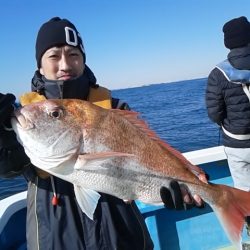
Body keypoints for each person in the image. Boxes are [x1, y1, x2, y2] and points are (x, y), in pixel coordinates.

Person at [0, 17, 204, 250]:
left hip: (123, 236)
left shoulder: (115, 109)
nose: (65, 64)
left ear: (83, 60)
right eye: (54, 56)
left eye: (74, 54)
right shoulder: (28, 118)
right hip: (55, 238)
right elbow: (7, 168)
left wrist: (182, 186)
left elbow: (153, 154)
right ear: (40, 65)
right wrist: (2, 135)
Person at [206, 16, 250, 233]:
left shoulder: (218, 74)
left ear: (227, 42)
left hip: (237, 145)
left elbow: (214, 113)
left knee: (244, 193)